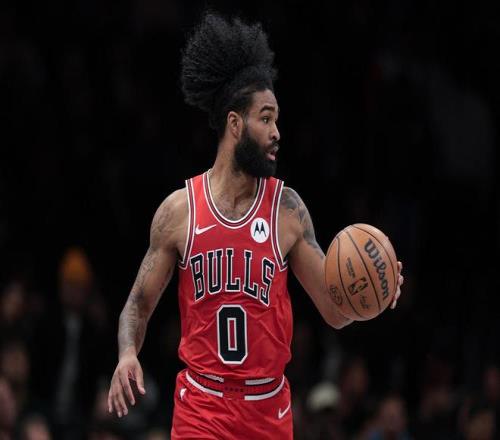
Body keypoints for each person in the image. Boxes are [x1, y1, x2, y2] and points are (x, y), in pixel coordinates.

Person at [107, 12, 404, 439]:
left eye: (277, 120)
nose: (277, 131)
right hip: (201, 407)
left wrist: (375, 292)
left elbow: (334, 311)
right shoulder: (180, 211)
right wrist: (127, 353)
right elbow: (138, 303)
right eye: (266, 118)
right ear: (235, 124)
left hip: (267, 410)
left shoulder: (287, 210)